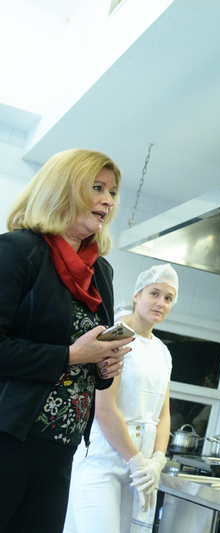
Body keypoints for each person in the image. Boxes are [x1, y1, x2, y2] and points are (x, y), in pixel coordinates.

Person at [0, 148, 132, 533]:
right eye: (97, 188)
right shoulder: (17, 251)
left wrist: (105, 365)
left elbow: (90, 356)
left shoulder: (101, 272)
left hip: (63, 445)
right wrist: (71, 355)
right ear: (65, 188)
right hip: (9, 436)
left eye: (112, 192)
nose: (108, 201)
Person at [65, 264, 179, 533]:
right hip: (104, 460)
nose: (160, 303)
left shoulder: (163, 352)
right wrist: (137, 461)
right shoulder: (114, 337)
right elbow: (104, 410)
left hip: (140, 467)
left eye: (168, 298)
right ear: (137, 295)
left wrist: (157, 460)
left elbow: (163, 414)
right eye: (154, 293)